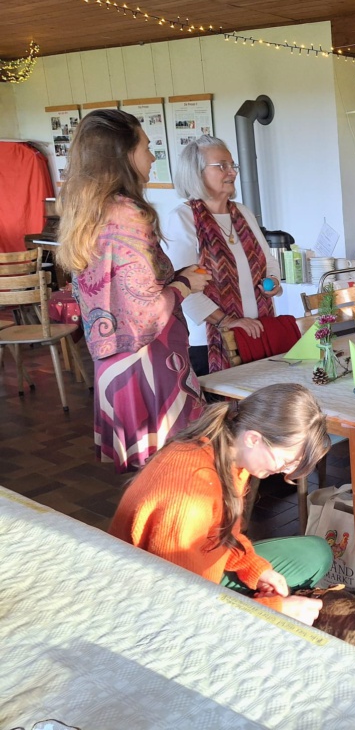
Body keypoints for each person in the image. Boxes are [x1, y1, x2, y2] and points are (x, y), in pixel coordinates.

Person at [56, 109, 207, 475]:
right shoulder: (127, 215)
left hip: (113, 363)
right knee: (176, 471)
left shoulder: (87, 210)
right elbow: (144, 312)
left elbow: (119, 293)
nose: (153, 157)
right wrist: (185, 284)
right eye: (146, 147)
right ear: (123, 154)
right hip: (149, 361)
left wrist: (175, 277)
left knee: (150, 475)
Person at [109, 383, 332, 626]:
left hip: (196, 574)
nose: (286, 472)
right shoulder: (189, 494)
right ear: (253, 439)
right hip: (155, 600)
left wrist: (254, 568)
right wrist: (275, 611)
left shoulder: (228, 454)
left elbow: (222, 534)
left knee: (316, 553)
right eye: (286, 461)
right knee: (293, 598)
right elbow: (181, 603)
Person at [162, 135, 282, 377]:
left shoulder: (243, 213)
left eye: (232, 165)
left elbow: (268, 261)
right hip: (209, 343)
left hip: (257, 333)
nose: (233, 172)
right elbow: (181, 286)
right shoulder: (183, 218)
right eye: (222, 166)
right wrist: (226, 321)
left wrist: (273, 282)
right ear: (196, 173)